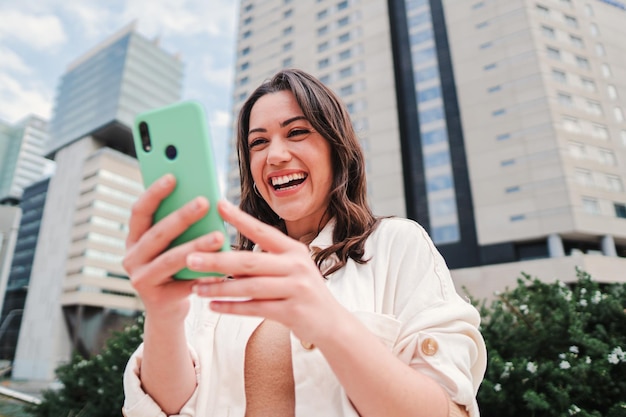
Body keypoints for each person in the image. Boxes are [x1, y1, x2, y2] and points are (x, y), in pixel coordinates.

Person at [122, 69, 486, 417]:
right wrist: (164, 315)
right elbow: (170, 406)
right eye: (258, 142)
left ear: (335, 147)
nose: (275, 155)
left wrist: (328, 322)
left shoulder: (397, 245)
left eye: (296, 132)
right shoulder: (222, 273)